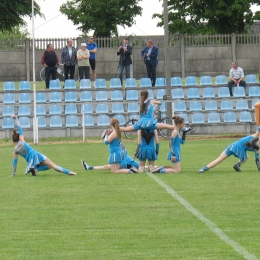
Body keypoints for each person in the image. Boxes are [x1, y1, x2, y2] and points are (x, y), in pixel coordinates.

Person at [10, 115, 77, 176]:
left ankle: (35, 170)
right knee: (53, 165)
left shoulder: (15, 151)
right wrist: (16, 118)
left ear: (13, 140)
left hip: (31, 161)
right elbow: (20, 128)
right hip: (36, 155)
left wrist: (13, 174)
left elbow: (14, 163)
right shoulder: (22, 141)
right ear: (19, 137)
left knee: (50, 166)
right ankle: (69, 172)